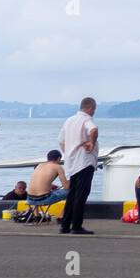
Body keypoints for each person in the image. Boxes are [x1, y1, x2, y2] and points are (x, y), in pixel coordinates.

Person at [58, 97, 99, 235]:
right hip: (85, 162)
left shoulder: (69, 121)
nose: (94, 112)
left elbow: (61, 141)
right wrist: (92, 143)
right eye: (94, 109)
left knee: (72, 195)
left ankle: (65, 225)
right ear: (90, 108)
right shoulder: (86, 119)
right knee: (81, 195)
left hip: (71, 162)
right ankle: (76, 225)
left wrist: (69, 152)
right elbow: (93, 130)